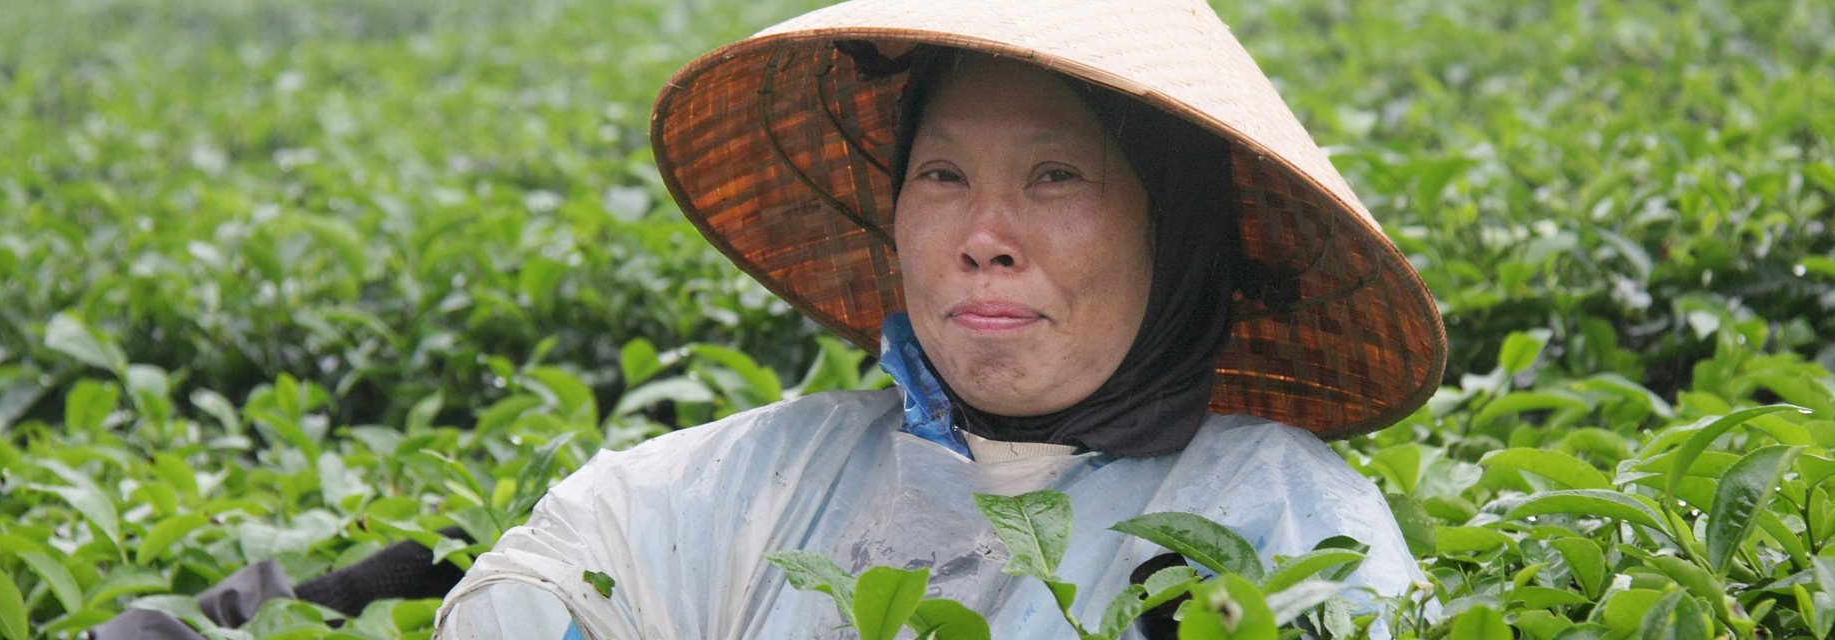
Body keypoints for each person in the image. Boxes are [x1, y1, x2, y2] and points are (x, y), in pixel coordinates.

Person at [436, 0, 1447, 638]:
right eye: (942, 175)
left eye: (1056, 175)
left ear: (1171, 230)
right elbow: (556, 585)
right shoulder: (758, 484)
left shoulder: (1283, 526)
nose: (984, 235)